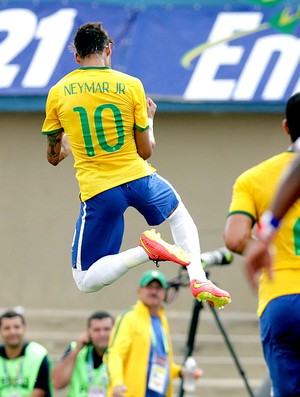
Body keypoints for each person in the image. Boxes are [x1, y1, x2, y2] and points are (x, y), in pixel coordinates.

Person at [40, 21, 231, 309]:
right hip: (138, 177)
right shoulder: (131, 85)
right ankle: (197, 276)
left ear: (76, 57)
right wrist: (151, 120)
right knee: (179, 214)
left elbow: (53, 156)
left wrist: (69, 142)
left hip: (99, 190)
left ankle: (145, 251)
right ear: (108, 49)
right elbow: (145, 150)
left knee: (85, 279)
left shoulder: (59, 92)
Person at [223, 92, 300, 397]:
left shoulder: (253, 178)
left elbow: (234, 238)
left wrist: (263, 240)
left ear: (286, 127)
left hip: (280, 296)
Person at [105, 269, 203, 397]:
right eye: (149, 287)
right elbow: (115, 354)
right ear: (139, 291)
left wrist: (180, 372)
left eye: (158, 288)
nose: (153, 291)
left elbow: (158, 362)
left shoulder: (162, 320)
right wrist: (117, 383)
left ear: (164, 292)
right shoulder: (129, 318)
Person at [51, 310, 114, 396]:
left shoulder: (121, 351)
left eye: (106, 329)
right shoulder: (75, 348)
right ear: (88, 332)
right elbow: (57, 383)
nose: (102, 334)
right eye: (97, 330)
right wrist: (77, 349)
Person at [0, 310, 52, 397]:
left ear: (24, 328)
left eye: (17, 327)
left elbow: (40, 391)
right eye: (7, 328)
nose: (12, 332)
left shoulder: (38, 354)